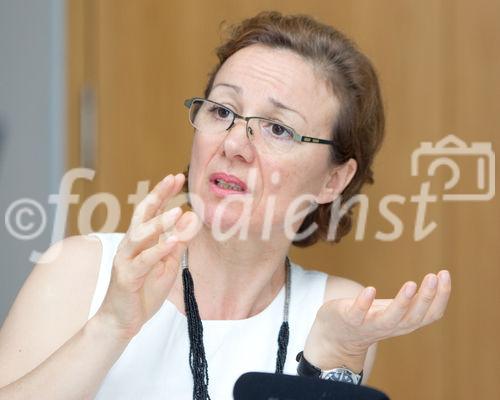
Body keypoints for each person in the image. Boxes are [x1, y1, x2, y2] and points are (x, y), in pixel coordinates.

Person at [0, 11, 451, 400]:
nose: (234, 143)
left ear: (334, 179)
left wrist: (331, 358)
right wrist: (109, 327)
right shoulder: (80, 272)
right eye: (222, 111)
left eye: (278, 128)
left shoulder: (340, 312)